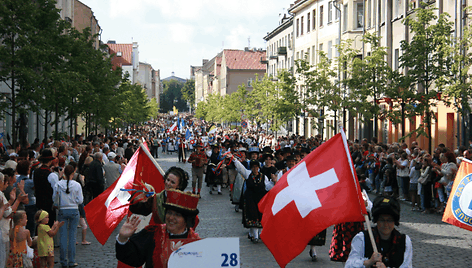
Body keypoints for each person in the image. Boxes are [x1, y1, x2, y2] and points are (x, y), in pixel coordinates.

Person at [116, 189, 201, 268]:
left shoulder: (196, 243)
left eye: (177, 215)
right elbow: (133, 258)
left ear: (186, 220)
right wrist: (122, 238)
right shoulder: (152, 233)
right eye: (169, 213)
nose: (171, 218)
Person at [345, 196, 413, 268]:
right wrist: (368, 262)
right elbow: (349, 265)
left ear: (395, 221)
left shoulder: (404, 241)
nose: (386, 224)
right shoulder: (362, 238)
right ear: (377, 220)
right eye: (382, 220)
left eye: (389, 220)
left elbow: (407, 266)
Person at [233, 158, 274, 243]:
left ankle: (255, 234)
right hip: (250, 199)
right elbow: (241, 169)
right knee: (253, 216)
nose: (255, 169)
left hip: (260, 200)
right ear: (251, 168)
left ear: (259, 168)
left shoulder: (264, 177)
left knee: (260, 216)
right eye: (253, 167)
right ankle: (255, 236)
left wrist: (273, 181)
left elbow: (267, 186)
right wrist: (234, 160)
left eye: (256, 167)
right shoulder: (248, 174)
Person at [53, 165, 84, 268]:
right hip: (74, 210)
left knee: (63, 236)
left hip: (62, 210)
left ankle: (63, 261)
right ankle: (71, 260)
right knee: (72, 237)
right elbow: (80, 201)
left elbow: (54, 198)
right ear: (73, 173)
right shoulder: (77, 185)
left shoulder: (58, 184)